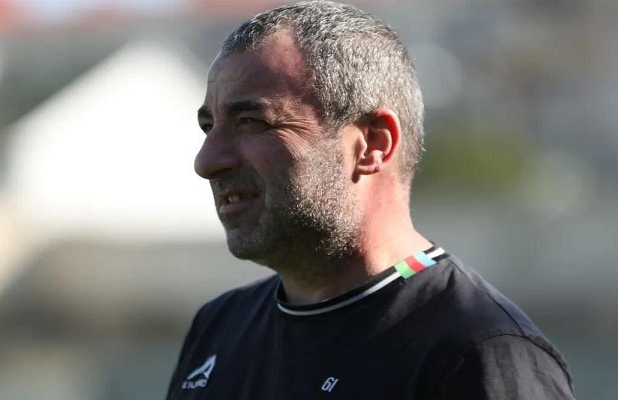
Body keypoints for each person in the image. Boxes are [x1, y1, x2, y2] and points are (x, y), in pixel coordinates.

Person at [166, 1, 575, 399]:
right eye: (208, 127)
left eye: (250, 122)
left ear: (372, 145)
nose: (207, 162)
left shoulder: (479, 354)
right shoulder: (218, 329)